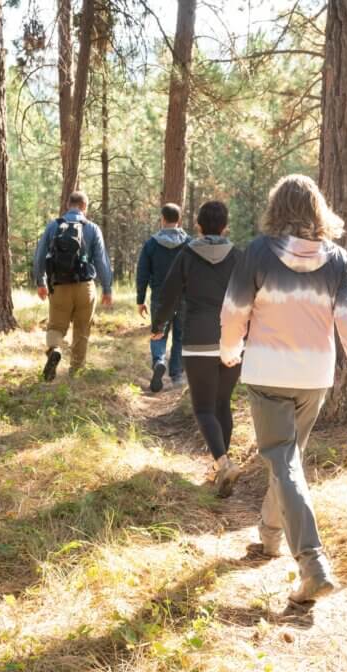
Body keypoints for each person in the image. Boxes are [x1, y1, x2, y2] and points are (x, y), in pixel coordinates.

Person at [220, 174, 347, 606]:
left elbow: (235, 309)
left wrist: (229, 349)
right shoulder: (337, 259)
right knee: (286, 459)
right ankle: (270, 536)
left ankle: (312, 565)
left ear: (277, 208)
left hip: (268, 373)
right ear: (317, 211)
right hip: (314, 377)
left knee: (284, 462)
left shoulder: (257, 252)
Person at [151, 201, 242, 497]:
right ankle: (222, 465)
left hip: (198, 340)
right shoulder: (238, 257)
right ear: (225, 226)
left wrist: (158, 326)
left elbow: (169, 293)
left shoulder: (188, 254)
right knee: (222, 404)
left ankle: (222, 463)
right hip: (231, 340)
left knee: (203, 408)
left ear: (199, 226)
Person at [33, 191, 113, 380]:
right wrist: (107, 289)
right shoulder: (92, 228)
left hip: (59, 286)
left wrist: (40, 281)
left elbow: (39, 257)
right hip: (85, 287)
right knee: (82, 329)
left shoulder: (54, 226)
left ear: (68, 205)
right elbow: (102, 261)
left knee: (56, 327)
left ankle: (55, 350)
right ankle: (75, 372)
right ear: (85, 207)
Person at [137, 203, 190, 392]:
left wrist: (140, 299)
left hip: (160, 295)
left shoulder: (152, 243)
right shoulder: (189, 243)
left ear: (163, 219)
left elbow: (142, 272)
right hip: (184, 296)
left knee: (158, 332)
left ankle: (159, 361)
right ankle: (176, 374)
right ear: (179, 220)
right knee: (180, 335)